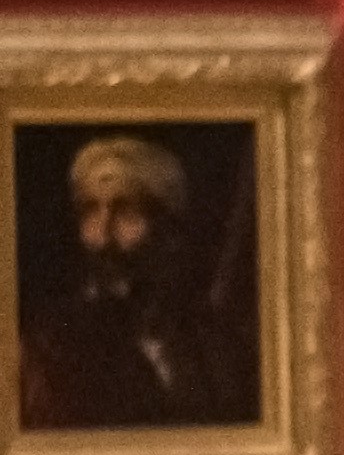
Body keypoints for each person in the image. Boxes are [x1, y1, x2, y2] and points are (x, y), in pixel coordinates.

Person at [16, 129, 257, 429]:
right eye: (90, 211)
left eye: (125, 210)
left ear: (170, 233)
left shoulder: (218, 348)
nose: (102, 235)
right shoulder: (47, 349)